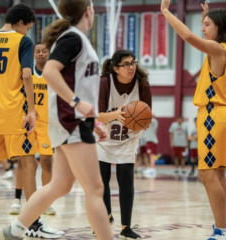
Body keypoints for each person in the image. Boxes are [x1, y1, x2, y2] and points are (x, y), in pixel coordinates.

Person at [0, 1, 115, 240]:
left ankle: (15, 230)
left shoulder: (78, 40)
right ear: (88, 10)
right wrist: (77, 103)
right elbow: (50, 71)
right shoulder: (72, 39)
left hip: (75, 121)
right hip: (72, 121)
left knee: (60, 185)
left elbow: (80, 85)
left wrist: (96, 121)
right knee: (95, 189)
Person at [0, 3, 62, 239]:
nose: (27, 32)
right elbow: (27, 75)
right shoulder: (22, 42)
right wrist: (30, 109)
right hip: (14, 114)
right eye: (27, 27)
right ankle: (32, 223)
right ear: (20, 23)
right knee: (28, 164)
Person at [161, 0, 226, 239]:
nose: (202, 28)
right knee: (217, 174)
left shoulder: (218, 50)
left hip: (213, 115)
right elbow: (200, 32)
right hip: (218, 115)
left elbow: (188, 37)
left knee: (207, 174)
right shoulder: (221, 49)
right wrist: (208, 16)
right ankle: (223, 226)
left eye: (207, 25)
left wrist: (166, 12)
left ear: (219, 27)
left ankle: (222, 230)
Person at [97, 49, 151, 239]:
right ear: (116, 68)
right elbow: (98, 115)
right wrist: (118, 114)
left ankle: (126, 227)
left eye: (133, 62)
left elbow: (148, 116)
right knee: (100, 183)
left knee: (126, 181)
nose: (131, 67)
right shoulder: (104, 82)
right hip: (104, 137)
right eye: (126, 64)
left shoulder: (142, 83)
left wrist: (141, 121)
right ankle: (107, 216)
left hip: (128, 139)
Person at [9, 42, 56, 216]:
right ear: (33, 53)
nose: (41, 54)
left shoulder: (54, 74)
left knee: (47, 163)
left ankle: (46, 201)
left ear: (49, 53)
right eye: (38, 51)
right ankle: (16, 200)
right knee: (24, 161)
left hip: (46, 124)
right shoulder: (26, 72)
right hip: (27, 122)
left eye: (44, 51)